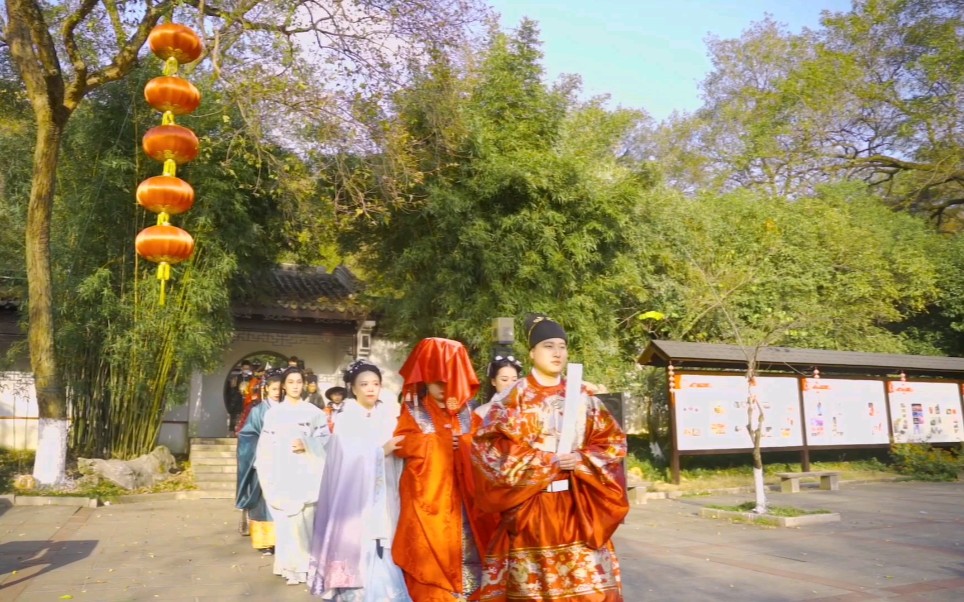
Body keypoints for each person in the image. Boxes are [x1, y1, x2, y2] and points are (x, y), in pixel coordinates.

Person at [471, 314, 629, 601]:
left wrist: (581, 459)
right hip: (533, 509)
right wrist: (545, 461)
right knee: (536, 591)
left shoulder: (582, 396)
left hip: (577, 507)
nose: (557, 353)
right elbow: (487, 450)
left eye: (562, 346)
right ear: (532, 352)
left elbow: (614, 443)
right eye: (548, 346)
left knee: (591, 590)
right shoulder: (513, 397)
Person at [393, 338, 499, 601]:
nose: (442, 388)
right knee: (430, 549)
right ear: (425, 379)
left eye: (448, 381)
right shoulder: (414, 410)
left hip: (464, 496)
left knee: (470, 542)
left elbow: (483, 449)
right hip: (430, 496)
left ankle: (469, 589)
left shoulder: (467, 412)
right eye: (436, 381)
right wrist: (437, 441)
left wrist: (463, 443)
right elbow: (401, 444)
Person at [308, 360, 410, 601]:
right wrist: (380, 451)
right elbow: (348, 461)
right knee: (361, 544)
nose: (370, 388)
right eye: (364, 384)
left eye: (375, 383)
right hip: (355, 500)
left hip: (385, 492)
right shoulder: (346, 419)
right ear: (353, 388)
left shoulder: (388, 416)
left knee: (385, 543)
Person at [256, 367, 327, 585]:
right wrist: (266, 468)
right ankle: (288, 566)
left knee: (305, 520)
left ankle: (306, 567)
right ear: (284, 386)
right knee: (286, 521)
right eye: (291, 382)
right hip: (282, 470)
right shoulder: (273, 414)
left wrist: (308, 444)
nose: (295, 385)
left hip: (307, 471)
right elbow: (266, 445)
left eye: (299, 382)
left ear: (304, 384)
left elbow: (326, 441)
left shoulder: (314, 412)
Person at [236, 369, 284, 553]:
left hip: (285, 462)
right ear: (266, 389)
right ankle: (265, 541)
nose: (277, 392)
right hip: (265, 460)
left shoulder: (288, 409)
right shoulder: (258, 411)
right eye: (274, 389)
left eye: (280, 389)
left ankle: (282, 539)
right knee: (263, 501)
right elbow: (247, 434)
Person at [474, 354, 524, 419]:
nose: (510, 384)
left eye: (514, 380)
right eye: (504, 380)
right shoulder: (481, 412)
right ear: (493, 381)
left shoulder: (526, 409)